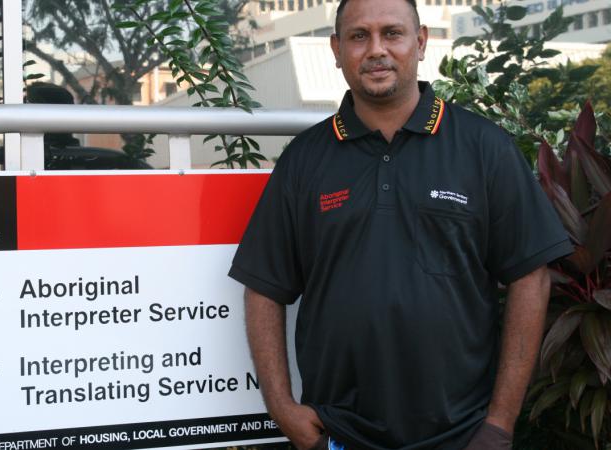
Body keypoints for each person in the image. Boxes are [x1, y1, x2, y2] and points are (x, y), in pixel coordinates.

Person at [227, 0, 573, 449]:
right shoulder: (304, 160)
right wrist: (282, 407)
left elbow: (531, 277)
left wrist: (500, 424)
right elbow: (263, 287)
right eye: (358, 36)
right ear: (336, 49)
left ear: (421, 42)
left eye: (392, 33)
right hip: (338, 433)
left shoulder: (483, 147)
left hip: (462, 434)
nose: (376, 50)